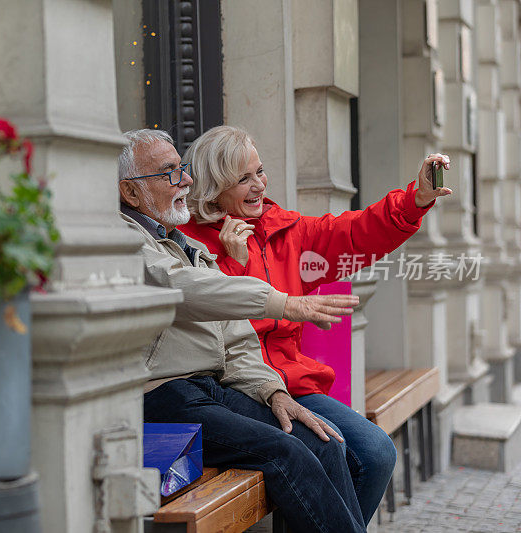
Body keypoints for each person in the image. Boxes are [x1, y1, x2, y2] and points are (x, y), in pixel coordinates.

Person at [179, 125, 452, 525]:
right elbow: (219, 330)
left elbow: (356, 232)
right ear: (214, 188)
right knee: (325, 452)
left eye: (260, 171)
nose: (259, 185)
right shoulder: (187, 242)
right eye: (243, 179)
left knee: (376, 453)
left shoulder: (285, 229)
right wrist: (233, 264)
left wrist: (417, 199)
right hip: (234, 389)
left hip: (293, 383)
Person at [118, 128, 367, 533]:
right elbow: (184, 288)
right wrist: (285, 302)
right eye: (169, 173)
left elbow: (235, 336)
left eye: (182, 168)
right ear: (130, 193)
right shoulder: (124, 238)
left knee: (322, 441)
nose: (185, 180)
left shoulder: (181, 241)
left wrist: (274, 392)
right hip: (162, 394)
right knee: (287, 452)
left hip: (213, 388)